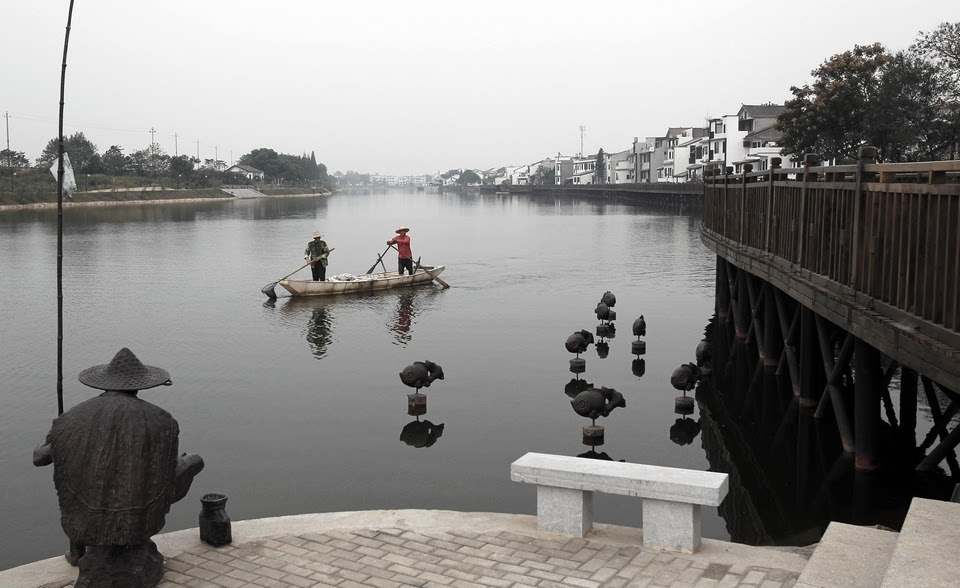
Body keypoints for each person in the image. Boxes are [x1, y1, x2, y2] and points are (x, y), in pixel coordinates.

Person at [33, 348, 204, 585]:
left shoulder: (72, 418)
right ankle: (126, 544)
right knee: (193, 460)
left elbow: (39, 458)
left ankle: (79, 551)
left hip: (86, 513)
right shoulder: (162, 420)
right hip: (138, 514)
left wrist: (54, 431)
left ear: (104, 384)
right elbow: (162, 473)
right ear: (139, 385)